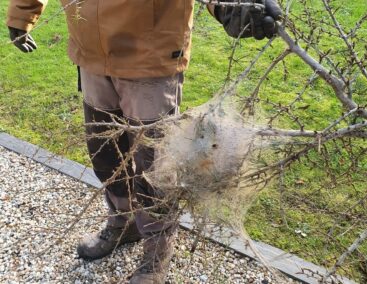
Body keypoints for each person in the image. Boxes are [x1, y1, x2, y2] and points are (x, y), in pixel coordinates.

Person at [6, 0, 281, 283]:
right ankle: (124, 223)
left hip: (150, 57)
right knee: (105, 154)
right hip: (90, 54)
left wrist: (228, 6)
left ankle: (157, 250)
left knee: (155, 167)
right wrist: (22, 13)